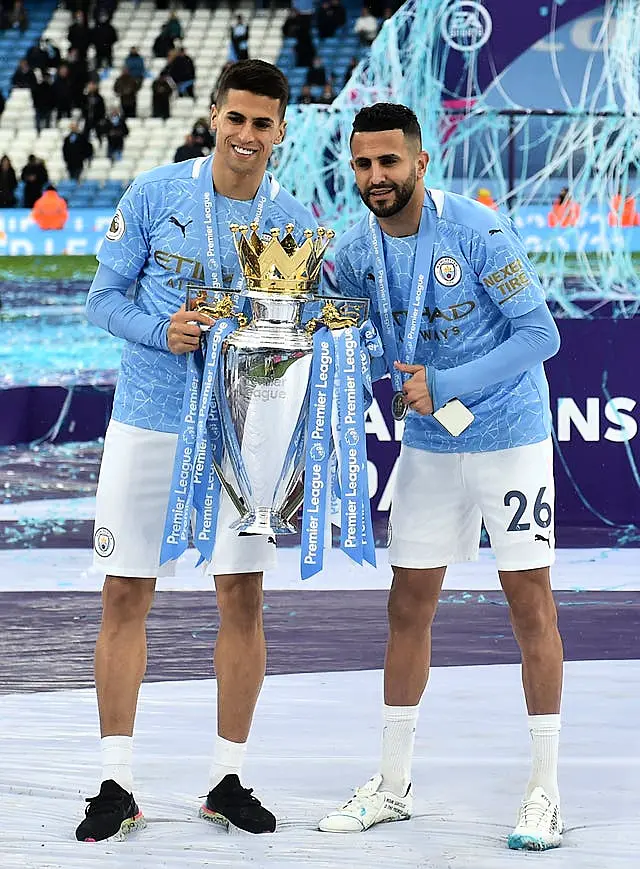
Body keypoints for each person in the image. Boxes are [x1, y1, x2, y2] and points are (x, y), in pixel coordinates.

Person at [76, 59, 317, 845]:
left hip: (243, 438)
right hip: (149, 419)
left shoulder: (296, 224)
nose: (247, 135)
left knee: (241, 600)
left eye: (263, 123)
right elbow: (101, 300)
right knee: (124, 595)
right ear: (214, 116)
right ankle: (115, 782)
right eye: (236, 118)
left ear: (281, 131)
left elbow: (300, 335)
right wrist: (162, 331)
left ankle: (228, 777)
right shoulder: (153, 195)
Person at [317, 103, 564, 852]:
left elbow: (541, 333)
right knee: (407, 606)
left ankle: (544, 792)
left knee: (529, 604)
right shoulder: (356, 248)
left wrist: (450, 382)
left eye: (389, 162)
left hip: (510, 437)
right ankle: (393, 787)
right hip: (428, 441)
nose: (375, 177)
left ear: (420, 162)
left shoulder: (478, 230)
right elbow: (348, 342)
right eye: (362, 164)